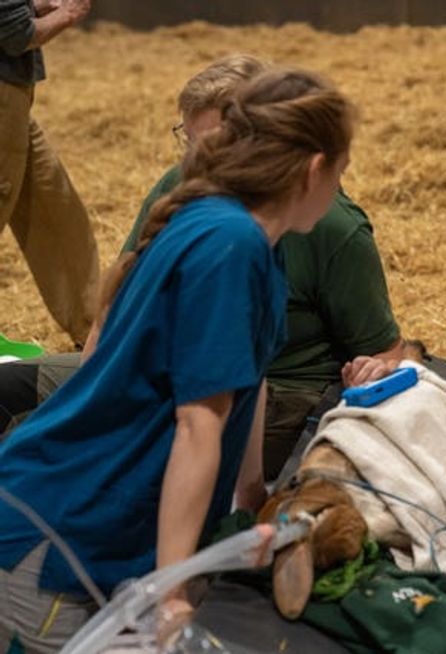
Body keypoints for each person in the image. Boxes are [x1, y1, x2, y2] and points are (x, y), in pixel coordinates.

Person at [0, 67, 356, 652]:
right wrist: (170, 594)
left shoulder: (249, 237)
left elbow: (248, 376)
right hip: (64, 529)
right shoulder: (231, 245)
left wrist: (252, 492)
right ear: (316, 169)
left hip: (78, 514)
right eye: (341, 170)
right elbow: (198, 424)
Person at [0, 54, 403, 480]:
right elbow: (113, 309)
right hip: (161, 371)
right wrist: (86, 401)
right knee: (14, 394)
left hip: (258, 396)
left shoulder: (324, 226)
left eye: (212, 144)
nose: (196, 159)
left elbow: (378, 349)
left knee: (40, 451)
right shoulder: (182, 191)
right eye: (187, 140)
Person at [0, 0, 100, 344]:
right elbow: (15, 34)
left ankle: (95, 337)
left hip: (12, 100)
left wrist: (35, 5)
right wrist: (67, 14)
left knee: (56, 208)